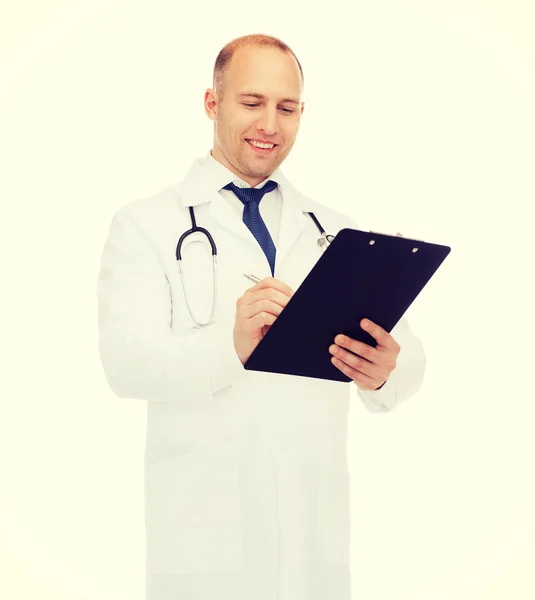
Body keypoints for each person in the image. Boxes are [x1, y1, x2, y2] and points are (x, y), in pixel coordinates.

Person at [96, 33, 426, 600]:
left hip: (311, 541)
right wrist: (231, 348)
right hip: (203, 540)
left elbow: (409, 356)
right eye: (252, 102)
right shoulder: (145, 225)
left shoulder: (333, 232)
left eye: (287, 107)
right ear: (212, 103)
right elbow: (126, 365)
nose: (269, 124)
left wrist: (387, 369)